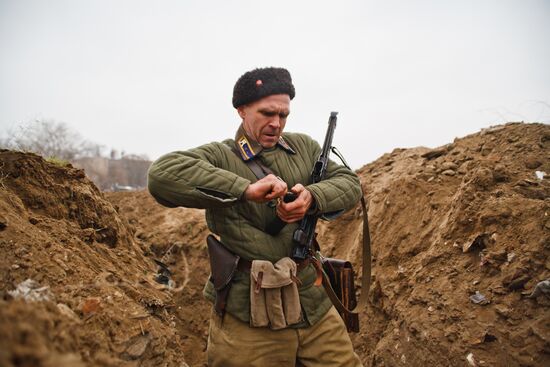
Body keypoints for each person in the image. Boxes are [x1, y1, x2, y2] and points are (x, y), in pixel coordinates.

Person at [148, 67, 363, 366]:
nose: (276, 123)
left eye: (283, 115)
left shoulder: (304, 147)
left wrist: (312, 197)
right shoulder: (221, 156)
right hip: (248, 313)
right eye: (266, 113)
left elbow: (350, 183)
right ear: (242, 110)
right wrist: (244, 189)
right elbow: (161, 175)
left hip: (312, 304)